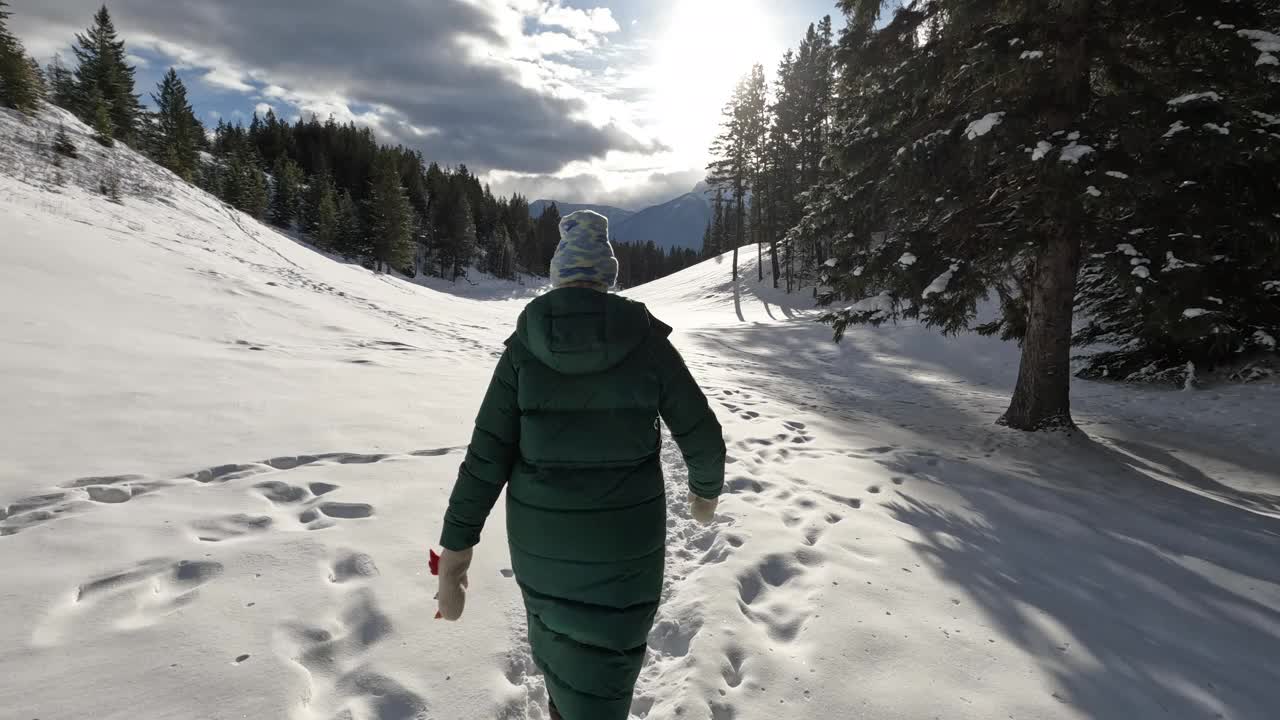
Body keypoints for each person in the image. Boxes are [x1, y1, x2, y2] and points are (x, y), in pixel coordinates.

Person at [434, 210, 726, 720]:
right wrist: (703, 493)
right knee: (608, 660)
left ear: (557, 274)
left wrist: (456, 551)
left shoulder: (522, 351)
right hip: (627, 541)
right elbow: (702, 434)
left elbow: (484, 461)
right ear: (608, 275)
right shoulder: (647, 343)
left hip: (543, 544)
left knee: (561, 650)